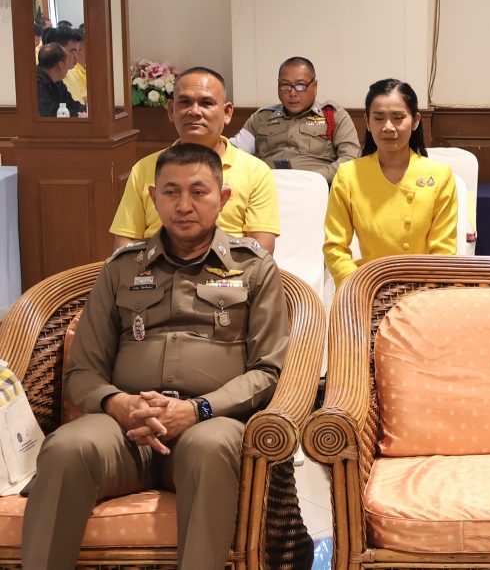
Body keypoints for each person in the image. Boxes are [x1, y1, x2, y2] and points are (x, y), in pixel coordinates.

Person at [21, 144, 291, 569]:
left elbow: (268, 370)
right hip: (124, 429)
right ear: (153, 197)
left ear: (222, 198)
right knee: (66, 448)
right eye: (171, 192)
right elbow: (83, 370)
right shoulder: (121, 268)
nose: (184, 205)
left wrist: (197, 409)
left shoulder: (253, 268)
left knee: (211, 448)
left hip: (207, 423)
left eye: (198, 192)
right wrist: (119, 404)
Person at [110, 66, 280, 253]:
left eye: (206, 103)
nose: (195, 111)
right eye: (185, 102)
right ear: (171, 110)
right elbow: (125, 242)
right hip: (155, 267)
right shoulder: (144, 168)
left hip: (227, 269)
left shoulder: (255, 171)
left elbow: (261, 248)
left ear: (227, 113)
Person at [323, 78, 457, 284]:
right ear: (367, 122)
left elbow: (444, 252)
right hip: (366, 286)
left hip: (423, 288)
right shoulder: (349, 175)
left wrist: (421, 290)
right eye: (378, 118)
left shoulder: (439, 175)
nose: (388, 127)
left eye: (398, 118)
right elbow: (335, 247)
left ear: (415, 120)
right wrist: (357, 285)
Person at [231, 56, 359, 183]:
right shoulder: (261, 118)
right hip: (267, 187)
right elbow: (233, 152)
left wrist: (315, 179)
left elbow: (350, 159)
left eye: (300, 85)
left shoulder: (333, 116)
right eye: (285, 85)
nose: (292, 93)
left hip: (315, 187)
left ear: (315, 85)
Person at [36, 43, 86, 117]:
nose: (69, 67)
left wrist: (85, 111)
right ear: (61, 65)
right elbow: (50, 113)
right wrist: (79, 114)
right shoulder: (36, 83)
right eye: (68, 61)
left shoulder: (57, 81)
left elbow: (72, 104)